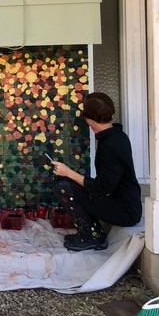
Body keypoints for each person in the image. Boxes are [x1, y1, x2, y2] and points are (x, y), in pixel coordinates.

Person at [50, 92, 142, 252]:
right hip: (119, 201)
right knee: (65, 182)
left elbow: (101, 188)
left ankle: (92, 236)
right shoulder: (115, 136)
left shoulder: (111, 144)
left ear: (88, 118)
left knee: (64, 186)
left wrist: (69, 172)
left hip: (125, 211)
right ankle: (91, 232)